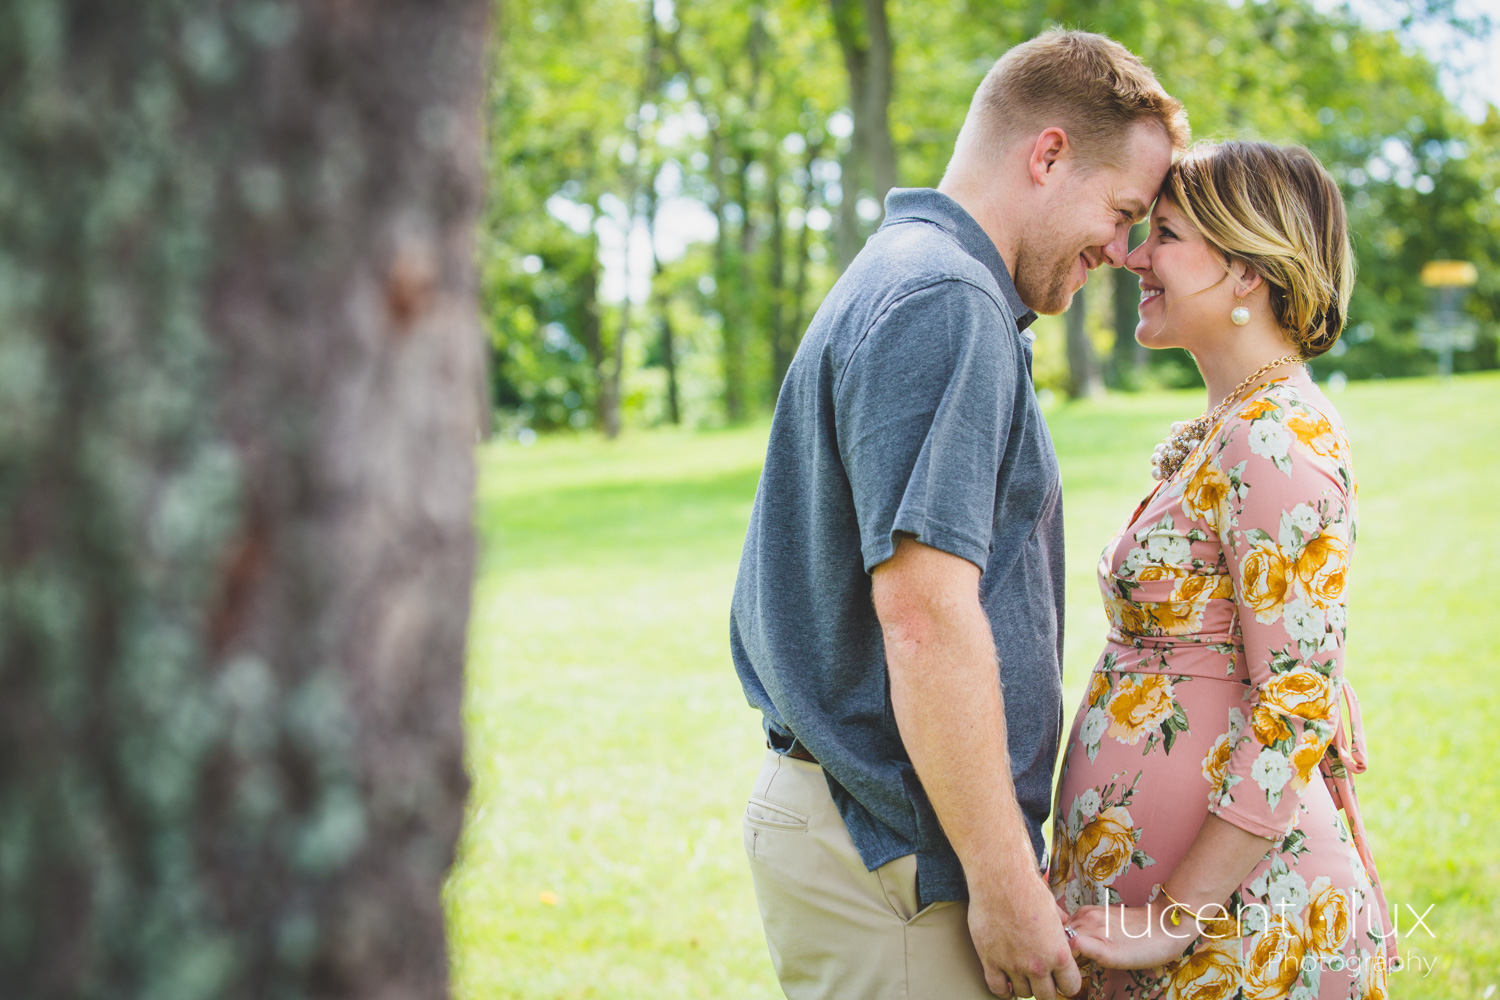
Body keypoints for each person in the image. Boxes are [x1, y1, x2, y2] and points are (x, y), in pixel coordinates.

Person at [729, 30, 1187, 1000]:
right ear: (1048, 154)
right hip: (897, 853)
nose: (1123, 250)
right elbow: (925, 617)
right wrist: (1005, 886)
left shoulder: (919, 276)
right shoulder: (946, 299)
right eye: (1122, 212)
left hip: (872, 831)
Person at [1051, 141, 1398, 1000]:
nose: (1133, 256)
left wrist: (1174, 919)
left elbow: (1294, 702)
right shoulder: (1233, 424)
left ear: (1247, 270)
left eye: (1164, 234)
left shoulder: (1277, 436)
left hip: (1242, 930)